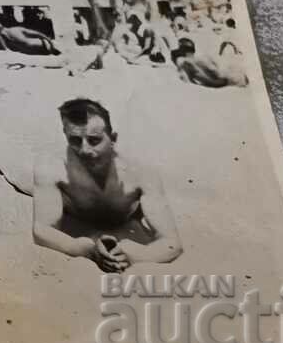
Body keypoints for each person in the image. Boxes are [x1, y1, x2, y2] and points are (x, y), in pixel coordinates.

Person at [32, 99, 182, 272]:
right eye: (74, 140)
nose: (85, 150)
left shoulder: (140, 172)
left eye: (94, 140)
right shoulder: (51, 167)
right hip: (67, 201)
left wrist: (136, 255)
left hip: (114, 214)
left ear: (113, 139)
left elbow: (172, 243)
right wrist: (85, 249)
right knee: (16, 176)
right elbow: (42, 230)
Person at [171, 38, 248, 88]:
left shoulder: (196, 59)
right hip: (222, 78)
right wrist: (220, 82)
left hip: (223, 76)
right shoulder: (190, 61)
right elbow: (206, 79)